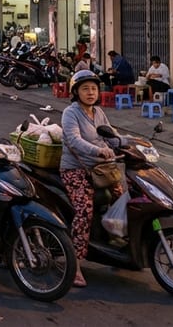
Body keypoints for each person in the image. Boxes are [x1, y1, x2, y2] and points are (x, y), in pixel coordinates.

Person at [60, 69, 123, 288]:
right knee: (84, 209)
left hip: (101, 169)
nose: (90, 92)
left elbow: (111, 136)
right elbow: (74, 140)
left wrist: (133, 144)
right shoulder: (71, 113)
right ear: (76, 92)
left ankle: (118, 242)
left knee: (122, 198)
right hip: (76, 169)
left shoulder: (98, 113)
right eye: (85, 88)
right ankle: (75, 264)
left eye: (94, 88)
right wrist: (98, 151)